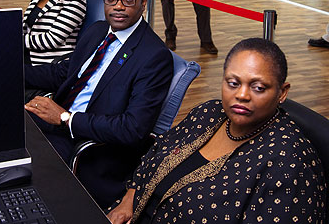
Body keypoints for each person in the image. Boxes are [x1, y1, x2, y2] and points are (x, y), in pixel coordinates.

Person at [107, 38, 326, 223]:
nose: (242, 95)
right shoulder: (209, 112)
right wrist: (128, 202)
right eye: (233, 83)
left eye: (258, 87)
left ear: (282, 92)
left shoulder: (289, 163)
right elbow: (156, 154)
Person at [24, 0, 173, 209]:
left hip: (87, 144)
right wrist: (15, 72)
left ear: (143, 2)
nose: (118, 6)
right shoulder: (98, 31)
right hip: (59, 119)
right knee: (9, 131)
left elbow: (133, 128)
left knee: (28, 166)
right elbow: (64, 72)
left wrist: (66, 118)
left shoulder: (154, 57)